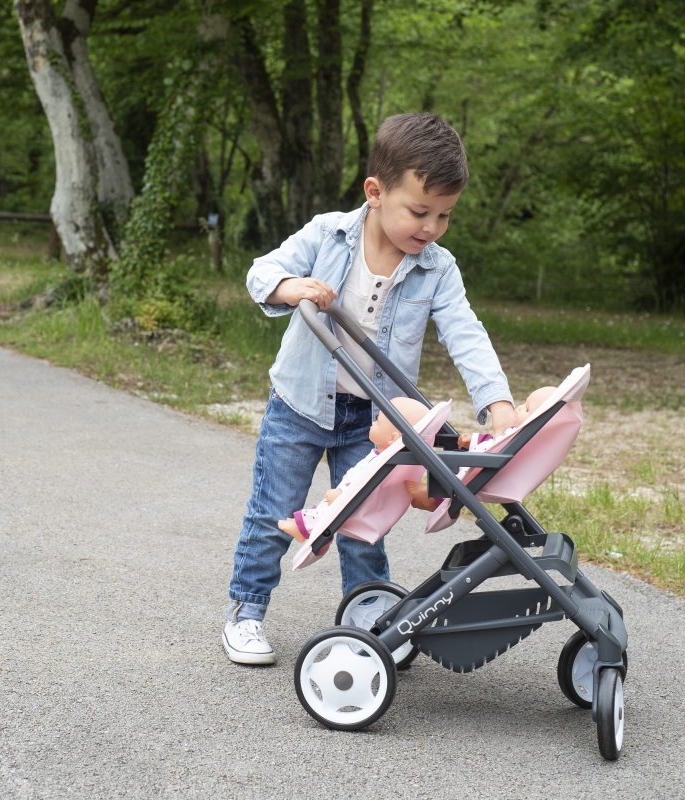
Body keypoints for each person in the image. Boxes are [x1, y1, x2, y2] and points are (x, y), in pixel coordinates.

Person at [223, 112, 516, 666]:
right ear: (376, 193)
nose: (431, 227)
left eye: (445, 216)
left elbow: (465, 333)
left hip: (375, 417)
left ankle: (369, 616)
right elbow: (262, 270)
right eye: (420, 212)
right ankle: (247, 609)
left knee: (363, 521)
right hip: (299, 407)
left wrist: (496, 405)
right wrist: (289, 287)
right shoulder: (326, 234)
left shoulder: (436, 268)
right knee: (273, 513)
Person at [278, 397, 429, 542]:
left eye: (378, 421)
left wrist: (343, 496)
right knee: (325, 508)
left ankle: (301, 528)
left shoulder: (385, 464)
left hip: (350, 499)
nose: (373, 423)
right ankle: (307, 528)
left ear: (392, 438)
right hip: (348, 494)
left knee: (327, 511)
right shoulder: (383, 457)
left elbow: (367, 486)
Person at [405, 386, 556, 512]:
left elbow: (495, 446)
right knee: (455, 472)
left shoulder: (523, 436)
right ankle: (434, 502)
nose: (520, 407)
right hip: (484, 466)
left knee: (451, 474)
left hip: (482, 471)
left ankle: (432, 497)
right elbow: (495, 443)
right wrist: (473, 440)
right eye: (524, 403)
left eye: (527, 409)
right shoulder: (517, 433)